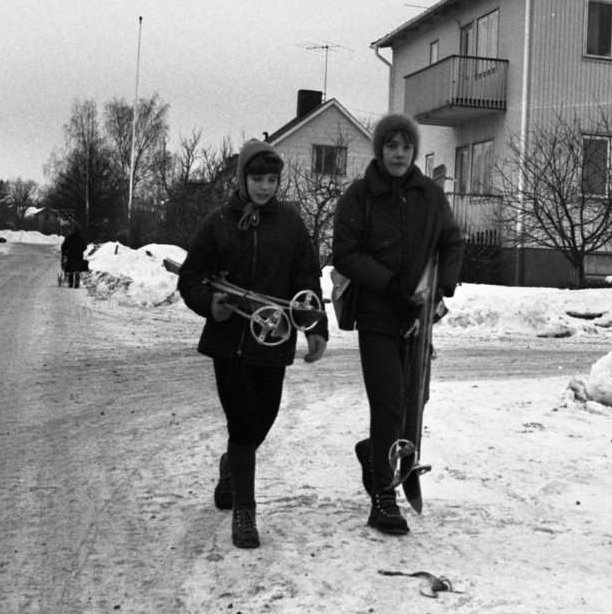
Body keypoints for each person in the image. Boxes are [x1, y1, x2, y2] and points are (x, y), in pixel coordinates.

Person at [177, 139, 329, 549]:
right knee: (243, 423)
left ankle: (232, 465)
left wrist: (315, 327)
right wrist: (211, 303)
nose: (265, 187)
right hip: (230, 343)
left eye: (272, 179)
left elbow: (306, 281)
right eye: (257, 178)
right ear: (243, 178)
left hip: (274, 339)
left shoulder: (291, 224)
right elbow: (190, 278)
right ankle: (245, 510)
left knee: (264, 419)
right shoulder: (218, 223)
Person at [331, 113, 464, 535]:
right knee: (388, 401)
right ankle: (383, 497)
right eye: (392, 146)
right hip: (377, 312)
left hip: (417, 315)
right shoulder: (360, 196)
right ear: (380, 149)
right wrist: (388, 285)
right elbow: (345, 253)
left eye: (407, 147)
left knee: (413, 400)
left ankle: (374, 452)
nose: (400, 154)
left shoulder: (429, 195)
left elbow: (452, 241)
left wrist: (442, 288)